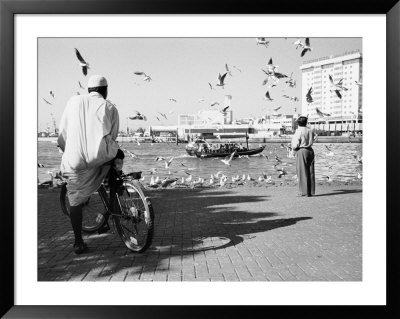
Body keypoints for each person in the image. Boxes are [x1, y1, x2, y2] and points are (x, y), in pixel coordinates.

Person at [57, 75, 125, 254]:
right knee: (116, 158)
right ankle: (114, 196)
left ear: (88, 90)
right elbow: (112, 135)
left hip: (75, 161)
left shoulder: (73, 101)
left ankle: (78, 243)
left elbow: (62, 133)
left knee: (75, 201)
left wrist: (69, 151)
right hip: (100, 157)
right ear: (105, 90)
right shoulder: (110, 106)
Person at [291, 115, 316, 197]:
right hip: (310, 150)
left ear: (298, 123)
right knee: (310, 171)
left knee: (302, 171)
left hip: (302, 150)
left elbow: (295, 144)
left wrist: (294, 149)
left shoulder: (298, 131)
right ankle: (310, 191)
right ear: (306, 122)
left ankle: (303, 192)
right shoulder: (310, 130)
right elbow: (313, 139)